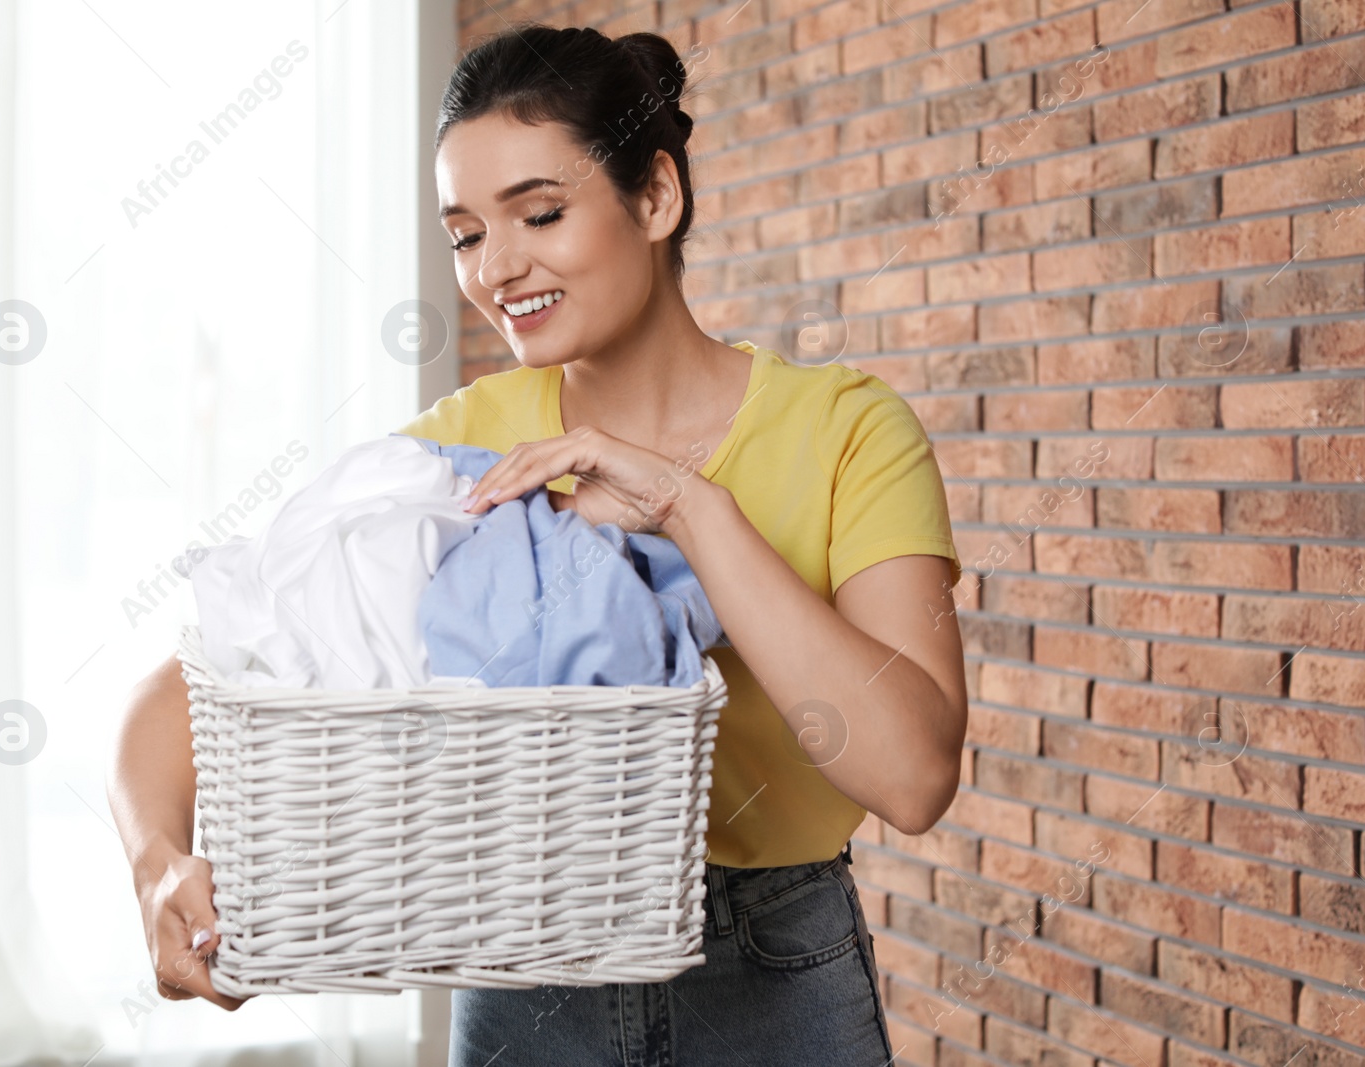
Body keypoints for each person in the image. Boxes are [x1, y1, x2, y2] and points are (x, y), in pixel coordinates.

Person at [106, 22, 966, 1066]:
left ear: (656, 198)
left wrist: (691, 510)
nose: (497, 268)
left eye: (540, 214)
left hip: (774, 972)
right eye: (466, 234)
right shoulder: (460, 447)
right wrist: (157, 858)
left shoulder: (846, 430)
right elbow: (212, 666)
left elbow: (913, 776)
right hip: (527, 975)